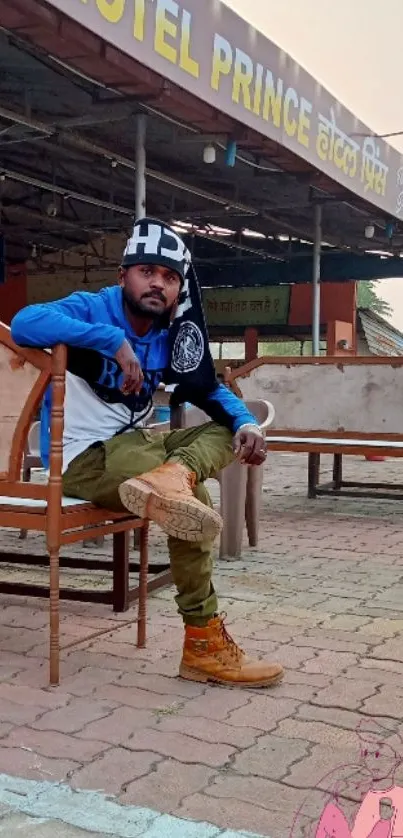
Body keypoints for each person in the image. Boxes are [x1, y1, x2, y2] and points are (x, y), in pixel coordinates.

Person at [11, 217, 284, 688]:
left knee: (224, 431)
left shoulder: (172, 335)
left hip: (139, 449)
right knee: (196, 502)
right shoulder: (92, 309)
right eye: (147, 272)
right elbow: (23, 323)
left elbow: (210, 390)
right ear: (124, 277)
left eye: (170, 277)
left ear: (179, 289)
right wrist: (111, 342)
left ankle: (173, 476)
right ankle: (203, 645)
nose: (159, 283)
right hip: (83, 457)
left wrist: (245, 421)